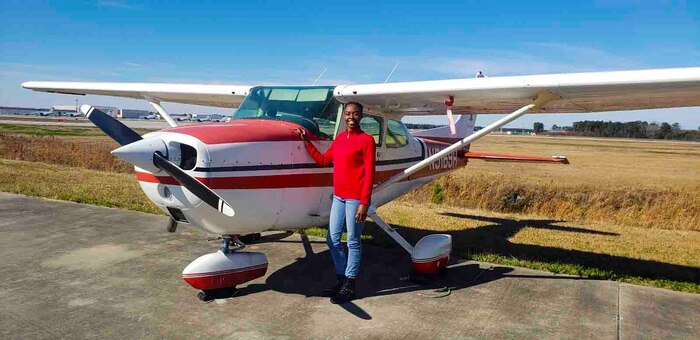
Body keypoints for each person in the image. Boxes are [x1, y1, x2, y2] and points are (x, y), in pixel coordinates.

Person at [297, 101, 376, 304]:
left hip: (355, 199)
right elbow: (324, 160)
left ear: (361, 116)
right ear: (344, 116)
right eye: (348, 114)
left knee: (353, 241)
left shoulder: (367, 140)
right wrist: (307, 142)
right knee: (332, 240)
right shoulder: (340, 139)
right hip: (339, 197)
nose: (351, 117)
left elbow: (369, 174)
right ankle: (341, 280)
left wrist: (364, 203)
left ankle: (350, 285)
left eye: (355, 114)